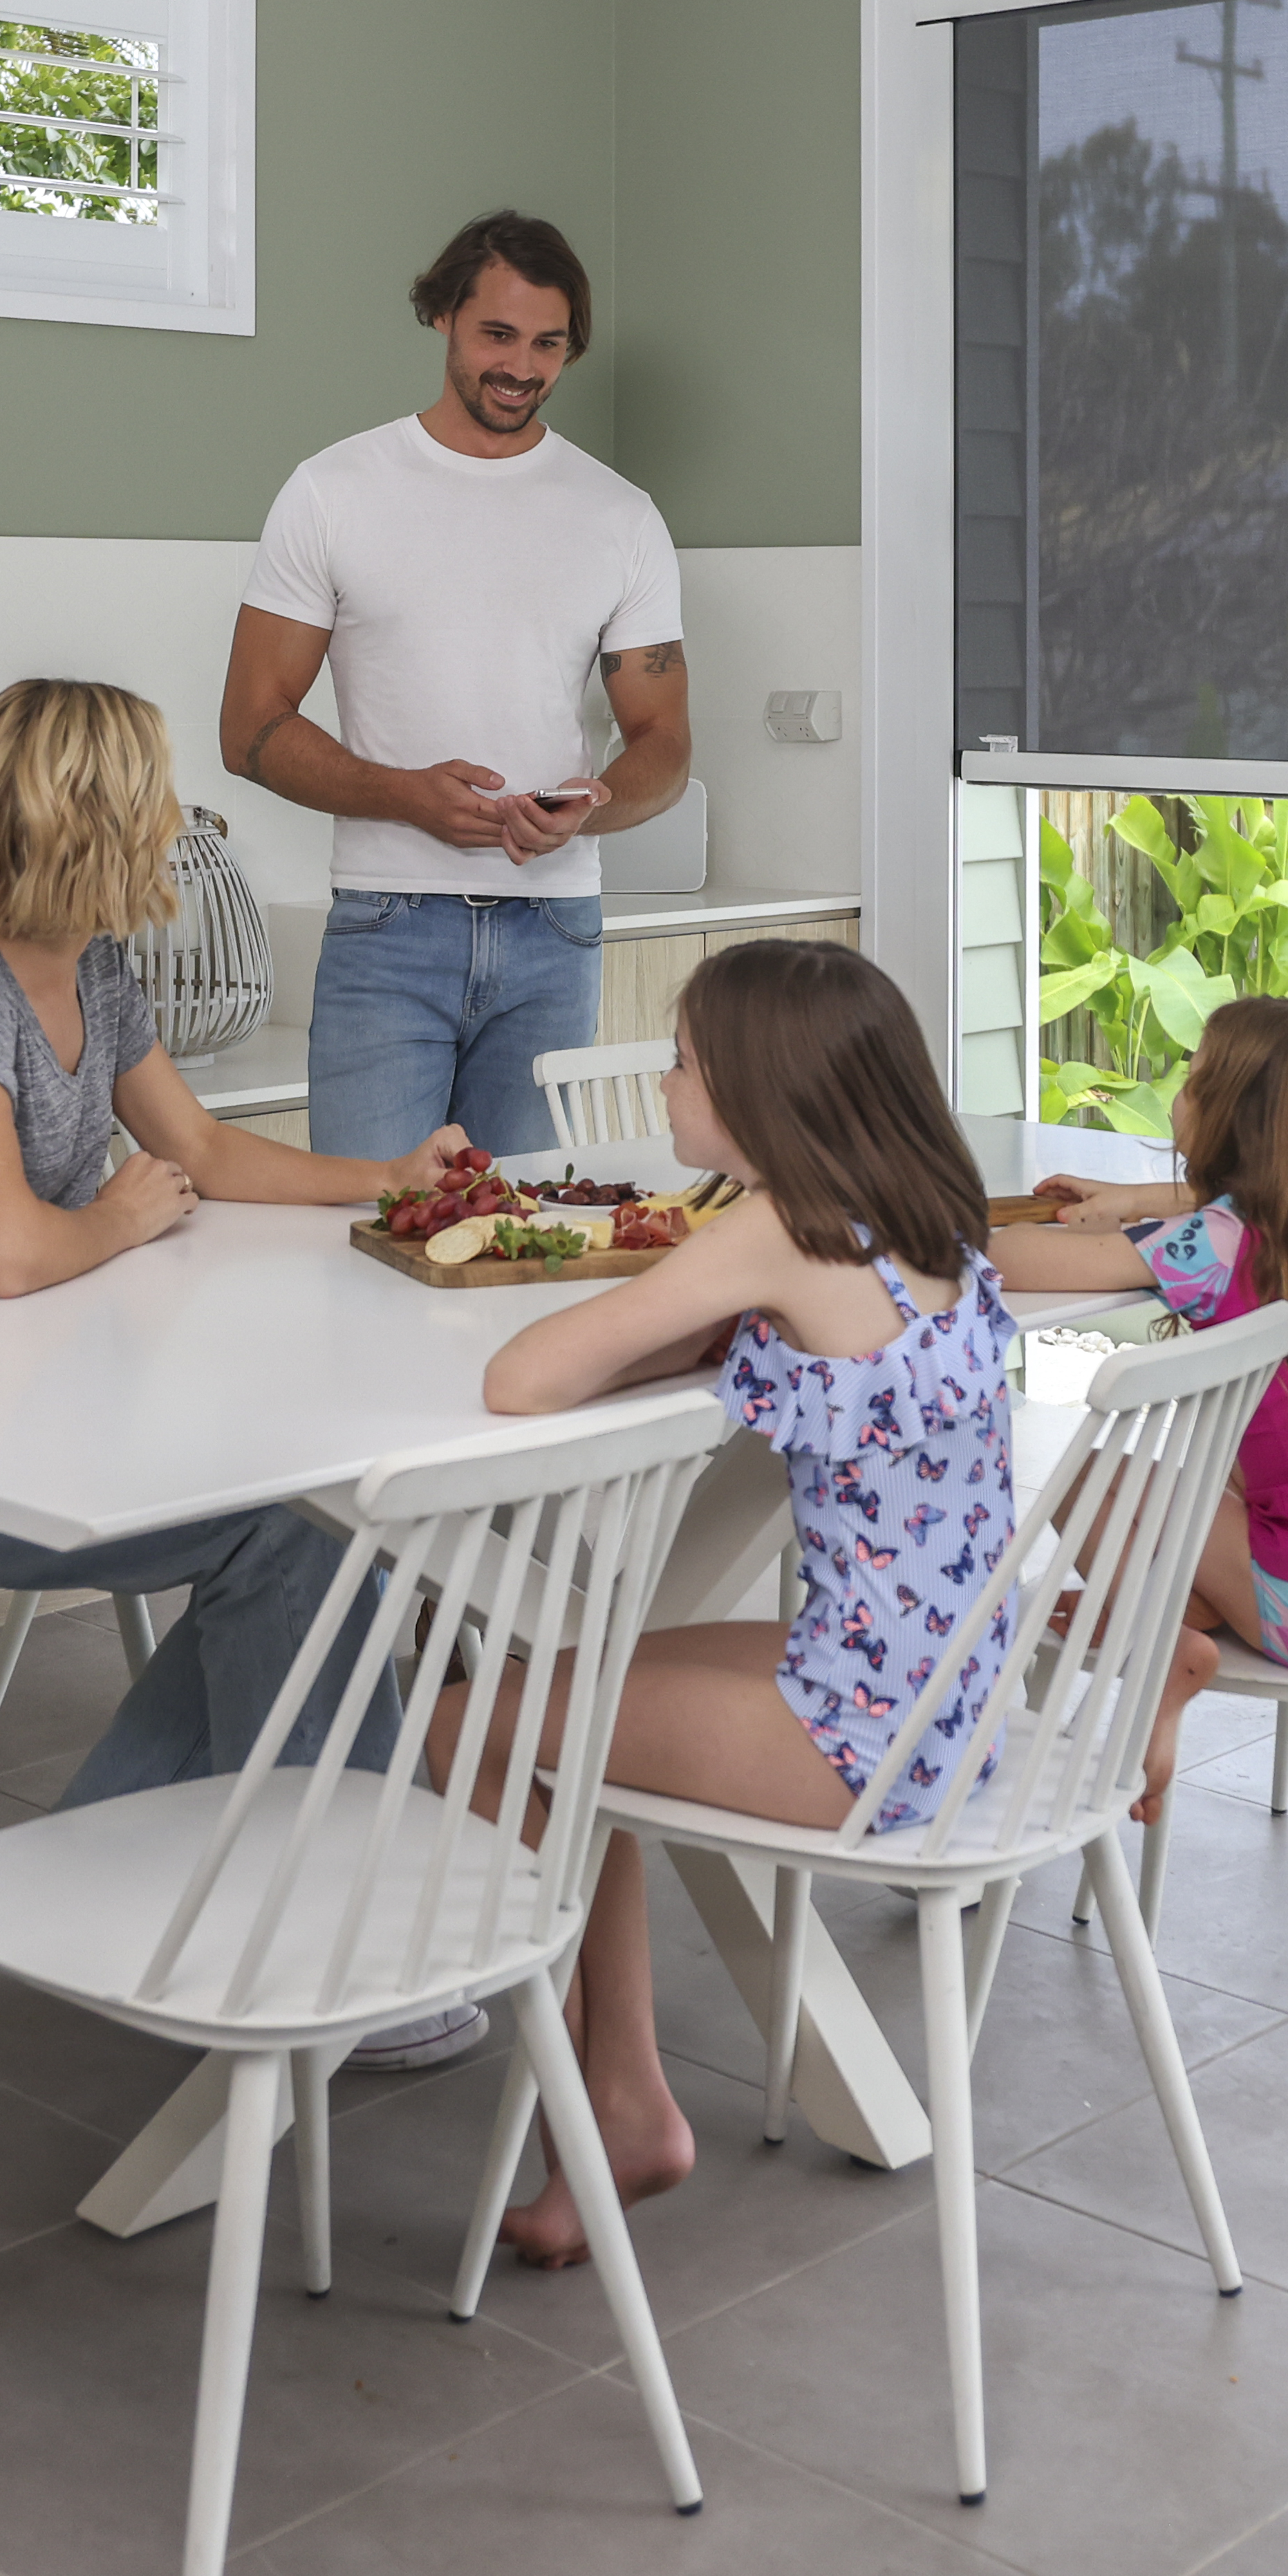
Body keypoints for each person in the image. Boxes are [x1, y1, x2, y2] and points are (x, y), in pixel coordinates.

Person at [0, 678, 476, 1809]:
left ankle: (117, 1868)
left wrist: (383, 1178)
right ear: (97, 820)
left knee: (304, 1519)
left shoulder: (93, 966)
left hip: (1, 1415)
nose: (176, 820)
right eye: (160, 795)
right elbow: (3, 1251)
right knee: (289, 1526)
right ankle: (340, 1918)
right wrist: (120, 1215)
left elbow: (198, 1142)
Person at [465, 940, 1016, 2269]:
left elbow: (521, 1381)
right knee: (588, 1679)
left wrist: (675, 1312)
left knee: (470, 1724)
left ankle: (604, 2098)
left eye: (680, 1062)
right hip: (949, 1703)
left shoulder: (770, 1228)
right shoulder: (923, 1213)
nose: (661, 1085)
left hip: (850, 1735)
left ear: (760, 1094)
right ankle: (622, 2091)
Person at [221, 210, 692, 1162]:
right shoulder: (334, 490)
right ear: (443, 316)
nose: (522, 366)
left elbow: (666, 746)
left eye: (549, 343)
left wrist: (588, 809)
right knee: (370, 1232)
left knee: (524, 1236)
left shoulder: (621, 516)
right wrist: (406, 795)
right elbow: (250, 727)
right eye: (498, 335)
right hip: (389, 922)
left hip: (555, 932)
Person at [989, 996, 1288, 1823]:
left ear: (1234, 1125)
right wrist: (1135, 1198)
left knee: (1089, 1479)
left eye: (1194, 1077)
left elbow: (1014, 1255)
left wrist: (915, 1213)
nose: (1179, 1090)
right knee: (1214, 1492)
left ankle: (1159, 1650)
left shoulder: (1217, 1246)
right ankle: (1184, 1605)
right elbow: (1228, 1211)